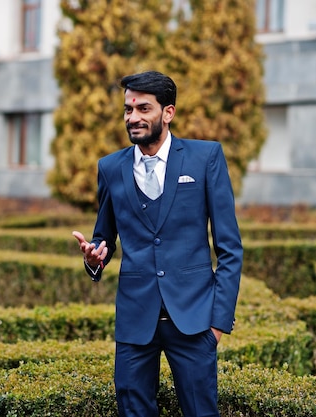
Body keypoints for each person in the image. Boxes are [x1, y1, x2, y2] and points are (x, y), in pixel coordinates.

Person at [72, 71, 243, 417]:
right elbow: (104, 238)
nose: (133, 117)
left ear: (168, 113)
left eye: (143, 109)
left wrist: (217, 325)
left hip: (194, 320)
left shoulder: (204, 158)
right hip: (136, 321)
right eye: (127, 110)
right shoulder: (110, 168)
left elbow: (230, 248)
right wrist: (94, 258)